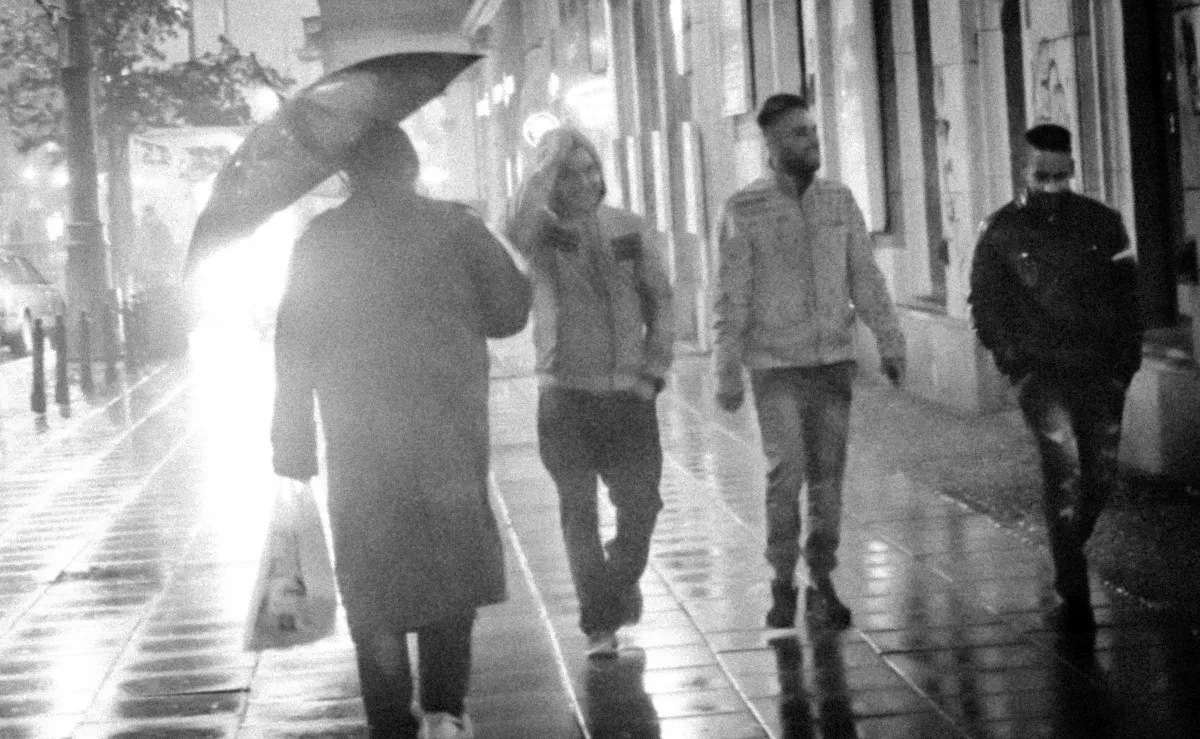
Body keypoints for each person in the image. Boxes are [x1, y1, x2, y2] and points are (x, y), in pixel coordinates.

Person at [271, 122, 532, 739]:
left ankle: (390, 718)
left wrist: (292, 439)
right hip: (446, 432)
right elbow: (509, 313)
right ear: (412, 169)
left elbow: (294, 345)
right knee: (449, 572)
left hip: (361, 440)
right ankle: (444, 710)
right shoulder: (456, 229)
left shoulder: (322, 241)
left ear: (349, 176)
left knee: (374, 580)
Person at [713, 93, 907, 630]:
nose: (812, 141)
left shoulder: (838, 201)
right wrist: (726, 368)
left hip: (831, 363)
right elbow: (730, 295)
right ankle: (781, 579)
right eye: (799, 133)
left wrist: (889, 341)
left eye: (813, 131)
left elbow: (864, 277)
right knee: (787, 472)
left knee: (828, 478)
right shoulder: (744, 209)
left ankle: (822, 577)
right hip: (775, 366)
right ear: (771, 144)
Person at [505, 126, 674, 659]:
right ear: (551, 183)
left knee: (641, 505)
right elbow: (513, 225)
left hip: (628, 395)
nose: (583, 182)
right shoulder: (542, 234)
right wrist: (543, 164)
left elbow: (661, 301)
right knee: (578, 510)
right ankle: (599, 621)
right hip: (566, 397)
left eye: (589, 170)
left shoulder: (627, 227)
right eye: (568, 175)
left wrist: (653, 371)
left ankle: (618, 580)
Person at [969, 123, 1142, 632]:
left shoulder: (1103, 223)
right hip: (1041, 372)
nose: (1051, 187)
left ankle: (1067, 555)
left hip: (1099, 368)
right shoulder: (1001, 230)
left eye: (1060, 176)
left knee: (1101, 476)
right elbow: (985, 301)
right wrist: (1013, 361)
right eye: (1041, 176)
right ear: (1024, 171)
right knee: (1063, 466)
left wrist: (1125, 364)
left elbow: (1129, 295)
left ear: (1072, 170)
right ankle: (1073, 591)